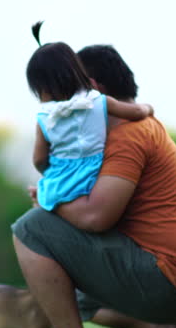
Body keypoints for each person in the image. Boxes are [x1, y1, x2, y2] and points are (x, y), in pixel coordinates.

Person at [12, 45, 176, 328]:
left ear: (93, 89)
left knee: (29, 228)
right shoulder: (125, 133)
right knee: (68, 296)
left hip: (171, 279)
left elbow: (96, 217)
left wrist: (48, 201)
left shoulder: (129, 134)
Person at [26, 29, 153, 211]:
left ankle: (44, 196)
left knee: (29, 223)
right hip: (97, 180)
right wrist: (149, 108)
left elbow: (39, 160)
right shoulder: (100, 102)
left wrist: (52, 170)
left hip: (62, 185)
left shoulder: (45, 119)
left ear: (40, 89)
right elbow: (138, 112)